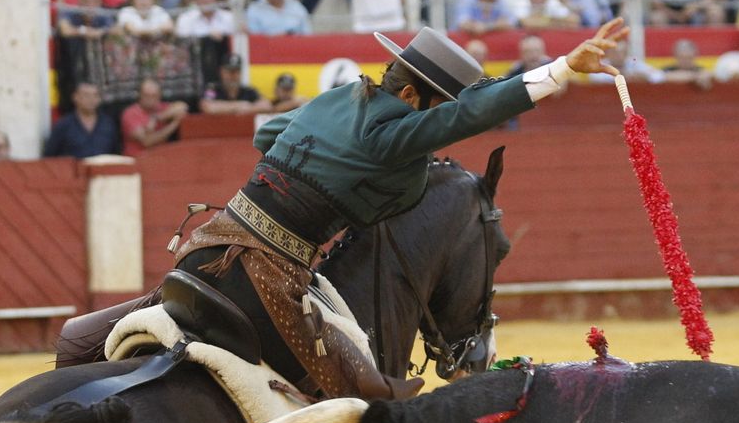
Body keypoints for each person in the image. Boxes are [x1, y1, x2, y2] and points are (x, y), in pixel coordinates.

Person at [59, 20, 628, 399]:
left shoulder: (337, 98)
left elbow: (268, 133)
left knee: (78, 342)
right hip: (265, 278)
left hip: (203, 250)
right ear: (412, 98)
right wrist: (560, 70)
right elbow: (466, 118)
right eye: (432, 112)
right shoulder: (393, 134)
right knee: (368, 400)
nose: (430, 131)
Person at [45, 81, 122, 157]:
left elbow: (116, 152)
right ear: (75, 97)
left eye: (95, 95)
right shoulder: (64, 125)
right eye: (86, 95)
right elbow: (50, 155)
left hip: (101, 168)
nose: (91, 99)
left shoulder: (108, 123)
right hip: (73, 168)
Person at [120, 78, 188, 155]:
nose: (150, 99)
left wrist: (158, 118)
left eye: (154, 95)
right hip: (137, 158)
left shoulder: (161, 108)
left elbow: (182, 107)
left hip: (160, 157)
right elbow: (147, 141)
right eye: (146, 95)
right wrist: (174, 124)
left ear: (159, 96)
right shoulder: (130, 113)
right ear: (140, 95)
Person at [201, 56, 273, 114]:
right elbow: (207, 106)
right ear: (222, 72)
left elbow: (267, 105)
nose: (233, 75)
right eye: (229, 71)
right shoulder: (213, 89)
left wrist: (249, 109)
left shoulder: (248, 91)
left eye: (236, 71)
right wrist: (238, 105)